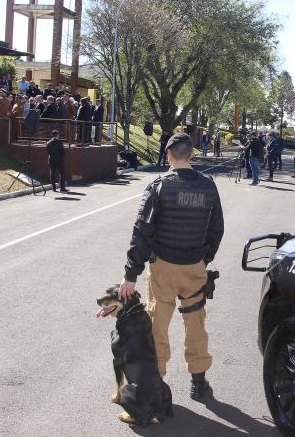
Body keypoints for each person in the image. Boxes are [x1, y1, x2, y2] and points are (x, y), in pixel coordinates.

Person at [117, 132, 224, 400]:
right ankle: (198, 383)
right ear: (191, 154)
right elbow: (217, 229)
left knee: (157, 326)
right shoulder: (209, 186)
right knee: (196, 324)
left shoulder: (158, 186)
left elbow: (142, 232)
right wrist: (204, 258)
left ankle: (156, 385)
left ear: (168, 155)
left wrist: (131, 274)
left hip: (163, 268)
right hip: (194, 268)